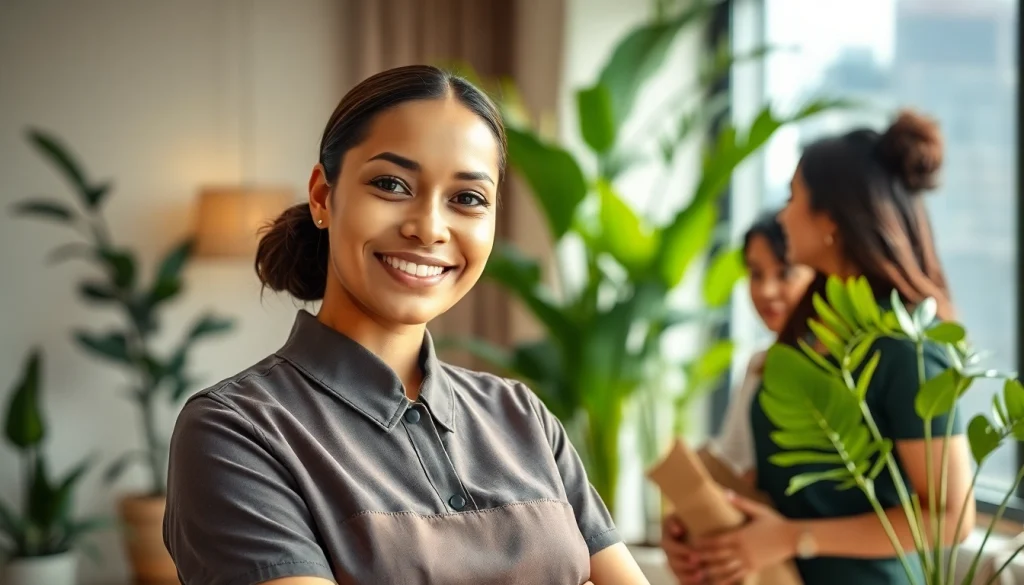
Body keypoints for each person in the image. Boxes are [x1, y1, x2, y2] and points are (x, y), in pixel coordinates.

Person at [162, 65, 650, 585]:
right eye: (391, 184)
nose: (429, 229)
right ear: (323, 197)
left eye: (467, 198)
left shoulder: (522, 417)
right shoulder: (237, 431)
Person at [661, 110, 975, 585]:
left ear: (830, 219)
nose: (783, 214)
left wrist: (791, 538)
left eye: (794, 198)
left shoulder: (907, 349)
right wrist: (699, 532)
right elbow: (774, 485)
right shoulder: (806, 332)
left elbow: (953, 516)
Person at [701, 212, 814, 486]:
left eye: (784, 273)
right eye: (756, 274)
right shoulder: (759, 364)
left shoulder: (849, 365)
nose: (766, 291)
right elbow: (731, 459)